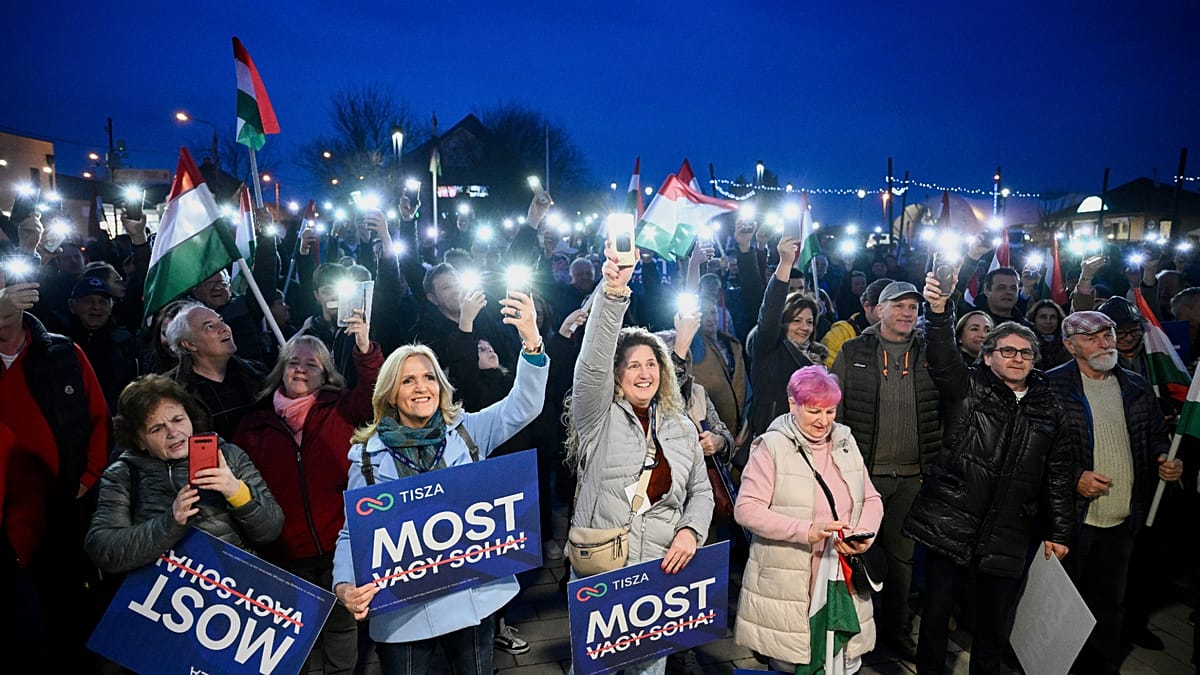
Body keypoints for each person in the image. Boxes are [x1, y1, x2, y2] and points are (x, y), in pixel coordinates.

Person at [331, 289, 548, 675]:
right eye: (408, 380)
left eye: (429, 377)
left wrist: (531, 341)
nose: (421, 387)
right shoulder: (366, 456)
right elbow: (353, 531)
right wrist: (344, 585)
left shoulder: (467, 432)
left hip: (471, 598)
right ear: (390, 395)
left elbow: (524, 406)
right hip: (403, 613)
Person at [905, 274, 1074, 675]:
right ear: (987, 355)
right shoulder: (968, 388)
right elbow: (943, 355)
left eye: (1026, 353)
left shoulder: (1049, 406)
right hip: (954, 521)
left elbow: (1059, 473)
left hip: (1009, 531)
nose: (1018, 359)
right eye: (1008, 351)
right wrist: (940, 311)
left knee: (993, 625)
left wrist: (1060, 531)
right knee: (936, 615)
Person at [565, 243, 714, 675]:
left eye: (651, 363)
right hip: (602, 570)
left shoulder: (681, 427)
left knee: (650, 671)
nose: (645, 372)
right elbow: (591, 365)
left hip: (660, 573)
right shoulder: (596, 418)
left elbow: (701, 492)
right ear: (617, 375)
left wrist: (690, 532)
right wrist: (613, 293)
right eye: (632, 366)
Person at [232, 313, 381, 675]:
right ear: (280, 369)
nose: (300, 369)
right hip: (283, 553)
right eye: (293, 362)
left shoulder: (343, 408)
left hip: (338, 545)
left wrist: (364, 347)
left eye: (311, 364)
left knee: (341, 631)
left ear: (325, 373)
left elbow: (375, 392)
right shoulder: (253, 426)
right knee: (288, 638)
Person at [1047, 311, 1184, 674]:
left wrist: (1163, 458)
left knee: (1109, 603)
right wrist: (1075, 477)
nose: (1105, 342)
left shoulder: (1136, 384)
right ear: (1070, 346)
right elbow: (1035, 454)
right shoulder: (1050, 388)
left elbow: (1156, 435)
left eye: (1107, 334)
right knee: (1064, 603)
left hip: (1123, 518)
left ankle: (1103, 667)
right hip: (1072, 519)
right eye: (1092, 337)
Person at [735, 366, 882, 673]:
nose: (823, 421)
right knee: (794, 662)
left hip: (842, 574)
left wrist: (863, 534)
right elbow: (746, 509)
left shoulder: (844, 440)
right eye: (814, 410)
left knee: (845, 660)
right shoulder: (772, 446)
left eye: (830, 411)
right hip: (790, 579)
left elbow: (871, 498)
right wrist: (806, 530)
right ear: (792, 404)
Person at [0, 266, 111, 672]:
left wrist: (86, 478)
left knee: (66, 613)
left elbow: (99, 418)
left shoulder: (63, 352)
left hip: (60, 509)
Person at [830, 280, 943, 657]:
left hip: (913, 476)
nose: (907, 313)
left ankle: (896, 631)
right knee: (855, 555)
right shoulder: (853, 351)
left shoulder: (931, 353)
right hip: (866, 476)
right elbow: (836, 412)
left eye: (913, 307)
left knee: (902, 559)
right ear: (879, 310)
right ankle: (853, 632)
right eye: (898, 306)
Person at [85, 375, 283, 577]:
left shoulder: (228, 455)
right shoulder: (123, 474)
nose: (173, 432)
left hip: (235, 585)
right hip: (162, 592)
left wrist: (237, 492)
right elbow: (104, 549)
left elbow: (271, 530)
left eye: (178, 419)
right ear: (139, 441)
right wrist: (171, 522)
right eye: (157, 428)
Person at [746, 236, 819, 442]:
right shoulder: (768, 348)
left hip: (809, 443)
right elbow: (770, 313)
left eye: (809, 322)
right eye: (796, 321)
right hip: (772, 441)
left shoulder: (816, 360)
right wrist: (785, 264)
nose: (804, 327)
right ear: (784, 322)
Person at [166, 301, 267, 439]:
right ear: (189, 344)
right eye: (210, 326)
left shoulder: (256, 373)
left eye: (221, 321)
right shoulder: (171, 391)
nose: (224, 328)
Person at [821, 277, 892, 367]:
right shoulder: (840, 335)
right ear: (867, 306)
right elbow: (828, 375)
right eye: (887, 308)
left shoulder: (908, 335)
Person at [1026, 299, 1071, 370]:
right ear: (1034, 319)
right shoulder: (1026, 343)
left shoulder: (1067, 344)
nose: (1048, 321)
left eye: (1053, 317)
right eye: (1043, 317)